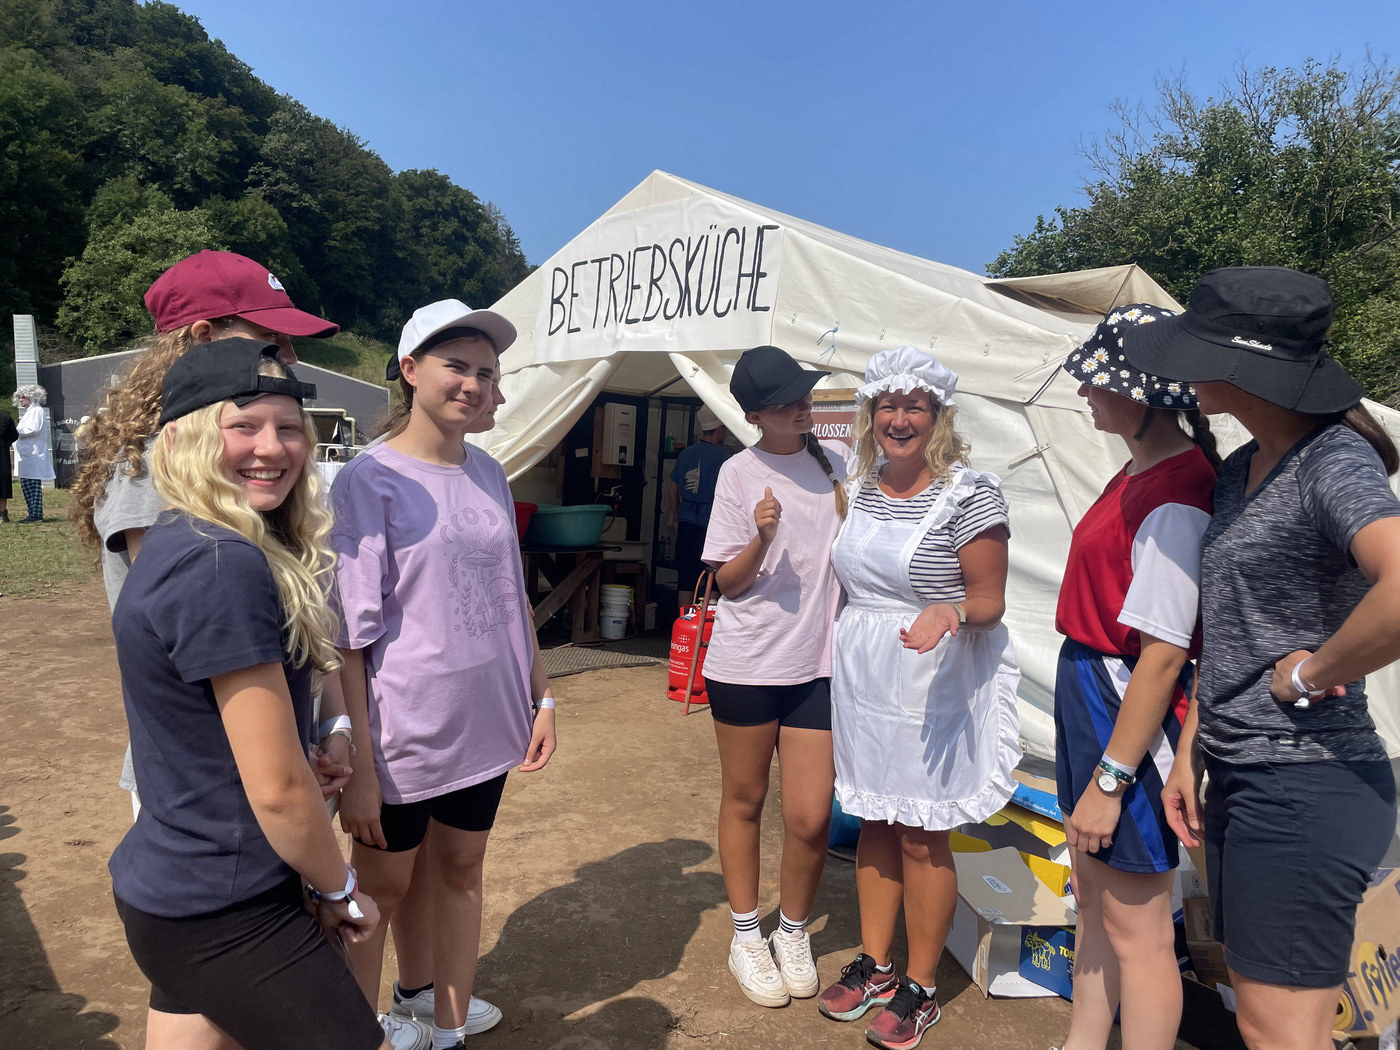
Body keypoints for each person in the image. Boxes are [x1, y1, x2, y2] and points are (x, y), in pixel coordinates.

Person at [1123, 267, 1400, 1050]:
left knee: (1279, 1031)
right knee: (1261, 1016)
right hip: (1244, 771)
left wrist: (1313, 672)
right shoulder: (1241, 470)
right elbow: (1231, 629)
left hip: (1305, 781)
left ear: (1244, 367)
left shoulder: (1331, 460)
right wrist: (1192, 750)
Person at [109, 338, 389, 1050]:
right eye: (244, 425)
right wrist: (337, 888)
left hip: (173, 886)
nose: (272, 447)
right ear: (183, 440)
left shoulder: (181, 538)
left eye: (289, 427)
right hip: (227, 906)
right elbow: (279, 792)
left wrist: (318, 738)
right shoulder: (220, 563)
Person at [331, 299, 557, 1050]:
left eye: (486, 373)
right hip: (405, 730)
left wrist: (542, 696)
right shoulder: (368, 479)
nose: (473, 384)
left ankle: (445, 1026)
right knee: (381, 890)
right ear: (410, 369)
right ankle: (359, 1032)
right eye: (456, 366)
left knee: (461, 869)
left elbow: (512, 597)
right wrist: (360, 767)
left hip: (487, 722)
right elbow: (349, 638)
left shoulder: (489, 471)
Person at [818, 345, 1020, 1050]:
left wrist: (951, 610)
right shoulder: (858, 488)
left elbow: (990, 598)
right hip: (866, 674)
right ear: (870, 415)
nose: (899, 420)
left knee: (921, 832)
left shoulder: (971, 494)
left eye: (914, 407)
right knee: (873, 816)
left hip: (932, 678)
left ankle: (922, 985)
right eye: (888, 406)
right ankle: (876, 964)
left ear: (938, 416)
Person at [1050, 306, 1219, 1050]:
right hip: (1092, 687)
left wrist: (1112, 780)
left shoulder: (1176, 494)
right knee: (1096, 904)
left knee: (1140, 934)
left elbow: (1164, 655)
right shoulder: (1143, 471)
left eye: (1096, 380)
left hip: (1124, 702)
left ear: (1143, 392)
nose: (1084, 391)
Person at [700, 345, 848, 1009]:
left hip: (819, 665)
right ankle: (745, 935)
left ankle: (791, 931)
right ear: (755, 414)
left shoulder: (836, 464)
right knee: (745, 798)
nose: (800, 407)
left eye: (803, 395)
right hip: (749, 663)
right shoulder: (738, 473)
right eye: (784, 401)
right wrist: (761, 537)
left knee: (811, 816)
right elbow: (726, 584)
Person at [664, 408, 732, 614]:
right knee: (713, 580)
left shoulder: (685, 454)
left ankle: (683, 623)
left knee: (686, 580)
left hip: (686, 523)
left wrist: (676, 516)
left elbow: (672, 488)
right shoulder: (724, 457)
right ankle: (708, 627)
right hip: (711, 525)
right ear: (719, 430)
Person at [13, 384, 55, 522]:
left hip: (33, 453)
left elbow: (33, 429)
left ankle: (36, 514)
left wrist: (14, 432)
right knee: (26, 483)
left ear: (32, 397)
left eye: (23, 397)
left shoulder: (36, 411)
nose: (20, 400)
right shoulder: (30, 412)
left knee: (33, 484)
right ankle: (32, 512)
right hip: (27, 453)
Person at [0, 406, 17, 522]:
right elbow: (14, 435)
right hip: (2, 454)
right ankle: (2, 514)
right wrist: (5, 444)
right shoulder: (5, 417)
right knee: (2, 484)